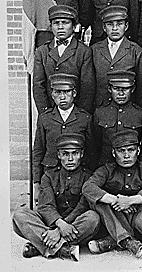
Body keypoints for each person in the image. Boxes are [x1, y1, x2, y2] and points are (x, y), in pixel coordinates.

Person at [12, 133, 100, 261]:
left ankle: (40, 245)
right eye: (65, 154)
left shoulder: (89, 177)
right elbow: (45, 206)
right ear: (59, 155)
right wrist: (59, 224)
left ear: (81, 154)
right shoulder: (49, 176)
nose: (70, 159)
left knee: (93, 218)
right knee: (19, 215)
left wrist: (59, 230)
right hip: (50, 223)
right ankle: (62, 249)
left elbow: (82, 207)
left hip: (74, 224)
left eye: (75, 153)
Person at [83, 130, 142, 258]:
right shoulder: (106, 170)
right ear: (113, 152)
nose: (126, 155)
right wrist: (114, 200)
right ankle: (127, 241)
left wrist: (131, 200)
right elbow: (88, 187)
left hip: (139, 218)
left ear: (138, 151)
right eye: (121, 151)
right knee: (98, 201)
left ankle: (115, 240)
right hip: (115, 216)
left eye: (131, 150)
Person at [32, 73, 94, 204]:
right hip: (50, 175)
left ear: (74, 93)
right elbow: (38, 151)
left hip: (77, 176)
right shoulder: (45, 118)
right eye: (58, 92)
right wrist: (36, 183)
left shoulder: (85, 118)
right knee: (47, 209)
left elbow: (91, 151)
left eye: (66, 92)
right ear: (52, 94)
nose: (62, 97)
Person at [33, 5, 95, 114]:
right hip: (51, 112)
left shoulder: (83, 51)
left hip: (76, 113)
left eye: (65, 23)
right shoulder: (42, 51)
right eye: (56, 23)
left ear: (74, 26)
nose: (60, 27)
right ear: (51, 26)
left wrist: (81, 115)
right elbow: (38, 86)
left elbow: (87, 88)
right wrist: (46, 114)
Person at [90, 5, 142, 108]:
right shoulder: (94, 50)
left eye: (119, 24)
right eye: (110, 24)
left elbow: (140, 83)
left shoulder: (135, 50)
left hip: (126, 106)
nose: (114, 28)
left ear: (126, 26)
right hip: (101, 106)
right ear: (104, 28)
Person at [93, 70, 142, 166]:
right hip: (106, 166)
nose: (121, 94)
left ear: (132, 89)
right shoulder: (100, 113)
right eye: (116, 89)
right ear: (109, 89)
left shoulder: (140, 114)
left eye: (125, 89)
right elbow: (96, 144)